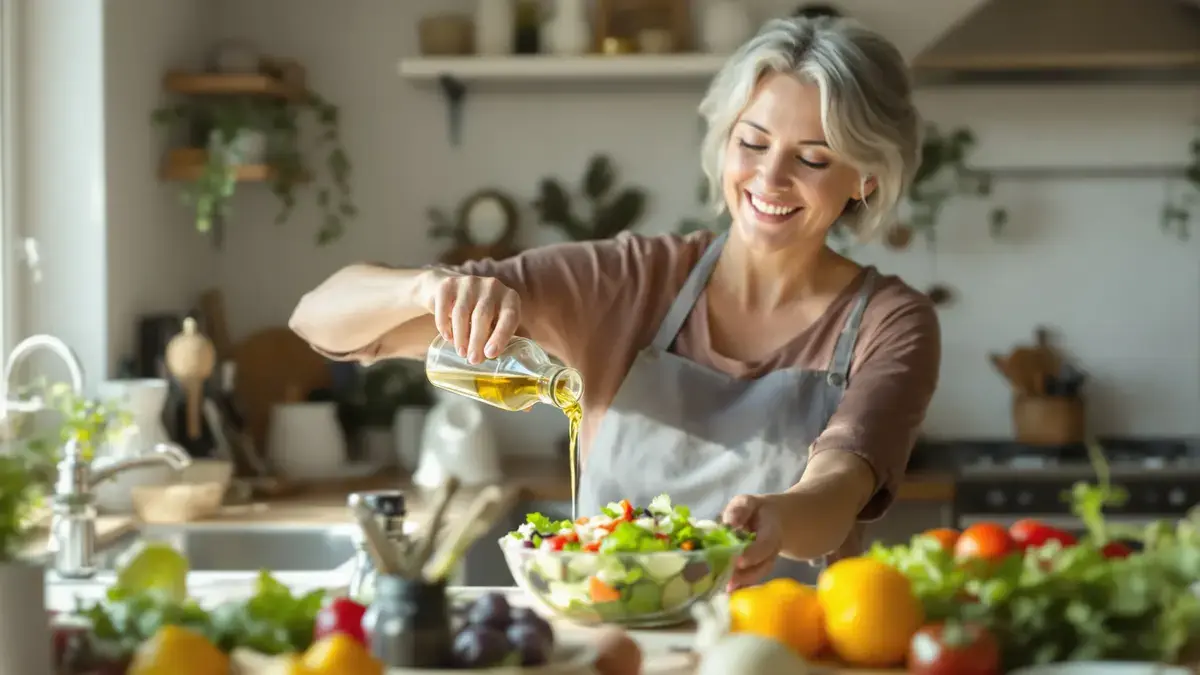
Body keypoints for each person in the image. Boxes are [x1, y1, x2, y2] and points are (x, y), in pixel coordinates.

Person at [288, 15, 939, 588]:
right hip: (612, 647)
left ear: (868, 176)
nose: (770, 178)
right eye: (753, 142)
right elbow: (319, 317)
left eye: (814, 159)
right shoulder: (629, 279)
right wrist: (425, 287)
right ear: (724, 138)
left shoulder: (891, 321)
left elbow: (839, 485)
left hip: (780, 651)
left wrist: (775, 519)